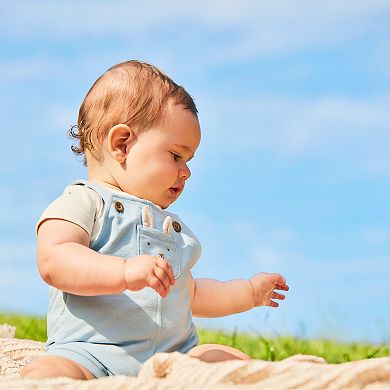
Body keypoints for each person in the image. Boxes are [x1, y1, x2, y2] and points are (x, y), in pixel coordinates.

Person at [21, 60, 289, 380]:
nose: (187, 171)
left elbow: (192, 294)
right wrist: (123, 271)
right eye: (176, 155)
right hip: (90, 355)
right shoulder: (85, 201)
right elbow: (55, 260)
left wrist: (248, 292)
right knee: (47, 373)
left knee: (226, 358)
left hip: (173, 360)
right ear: (122, 144)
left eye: (189, 160)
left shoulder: (170, 230)